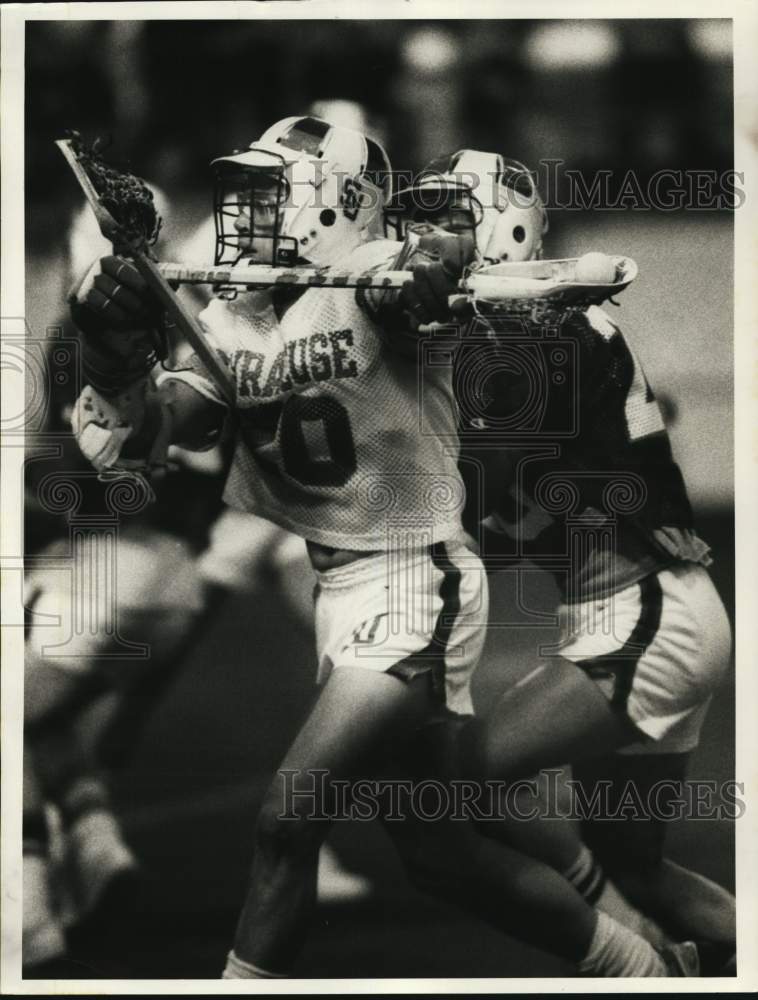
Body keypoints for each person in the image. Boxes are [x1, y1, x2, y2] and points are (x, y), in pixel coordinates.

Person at [68, 117, 699, 978]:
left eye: (269, 190)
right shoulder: (234, 311)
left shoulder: (364, 271)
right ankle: (646, 966)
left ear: (340, 206)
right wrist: (110, 357)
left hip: (414, 583)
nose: (246, 209)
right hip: (340, 593)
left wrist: (421, 276)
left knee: (289, 818)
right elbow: (144, 441)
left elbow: (402, 290)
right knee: (441, 852)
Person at [385, 148, 735, 965]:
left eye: (451, 220)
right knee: (635, 865)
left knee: (460, 782)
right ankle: (673, 943)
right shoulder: (536, 327)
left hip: (646, 618)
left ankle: (640, 957)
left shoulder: (538, 333)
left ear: (504, 230)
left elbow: (489, 511)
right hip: (657, 609)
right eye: (424, 220)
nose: (429, 238)